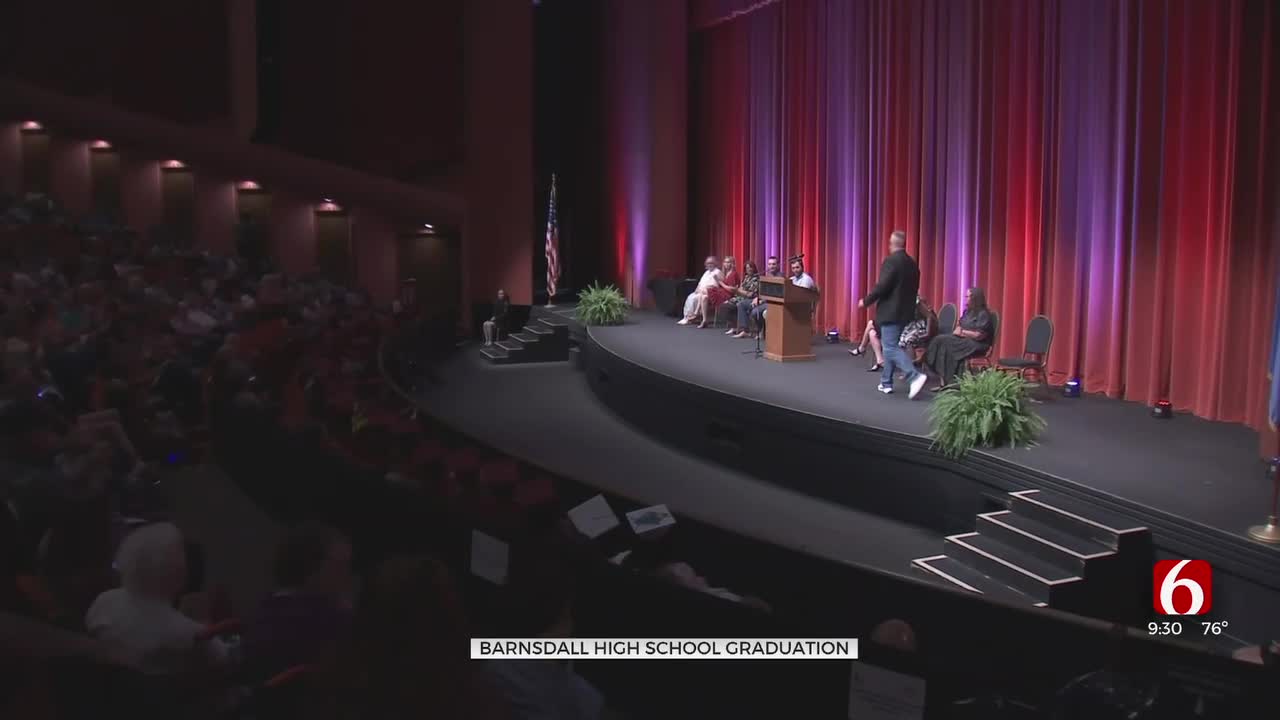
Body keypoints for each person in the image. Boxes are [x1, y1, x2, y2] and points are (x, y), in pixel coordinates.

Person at [84, 522, 226, 675]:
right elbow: (222, 658)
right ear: (179, 573)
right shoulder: (191, 632)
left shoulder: (104, 600)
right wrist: (202, 621)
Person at [241, 523, 355, 683]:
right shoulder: (329, 619)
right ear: (310, 564)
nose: (347, 576)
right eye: (340, 566)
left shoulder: (267, 607)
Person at [858, 231, 927, 399]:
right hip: (905, 312)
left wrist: (866, 301)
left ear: (892, 244)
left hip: (891, 312)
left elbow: (882, 286)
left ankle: (914, 376)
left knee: (889, 348)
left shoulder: (891, 261)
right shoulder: (912, 264)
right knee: (892, 345)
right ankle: (886, 382)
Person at [923, 287, 994, 391]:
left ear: (975, 298)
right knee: (940, 340)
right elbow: (960, 325)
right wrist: (959, 330)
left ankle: (949, 382)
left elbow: (979, 335)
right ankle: (944, 381)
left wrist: (962, 332)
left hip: (976, 344)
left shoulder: (983, 314)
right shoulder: (968, 312)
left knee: (945, 343)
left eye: (968, 296)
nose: (966, 299)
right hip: (964, 340)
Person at [734, 256, 781, 339]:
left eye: (774, 264)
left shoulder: (780, 277)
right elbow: (763, 291)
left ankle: (761, 331)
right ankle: (745, 330)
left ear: (778, 265)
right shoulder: (767, 276)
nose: (771, 266)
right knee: (742, 304)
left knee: (755, 311)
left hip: (772, 303)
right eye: (770, 264)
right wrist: (758, 298)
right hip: (762, 300)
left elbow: (775, 295)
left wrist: (761, 300)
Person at [678, 256, 722, 325]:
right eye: (708, 263)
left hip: (711, 292)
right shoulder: (706, 272)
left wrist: (705, 289)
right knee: (691, 297)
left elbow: (718, 284)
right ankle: (688, 316)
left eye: (711, 263)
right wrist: (697, 289)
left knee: (695, 298)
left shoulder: (718, 272)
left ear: (715, 263)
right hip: (701, 291)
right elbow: (700, 283)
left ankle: (695, 315)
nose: (709, 265)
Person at [697, 256, 738, 328]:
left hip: (728, 295)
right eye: (725, 262)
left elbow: (732, 290)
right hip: (722, 292)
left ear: (732, 263)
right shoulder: (727, 273)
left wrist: (719, 282)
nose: (726, 264)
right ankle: (704, 320)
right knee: (704, 297)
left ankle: (697, 311)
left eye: (728, 262)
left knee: (705, 290)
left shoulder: (733, 274)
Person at [724, 261, 759, 335]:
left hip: (750, 299)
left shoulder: (756, 279)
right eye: (747, 268)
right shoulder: (746, 277)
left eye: (750, 268)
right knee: (726, 305)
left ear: (754, 269)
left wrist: (738, 290)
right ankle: (734, 327)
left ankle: (744, 329)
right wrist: (739, 291)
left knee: (737, 305)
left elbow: (750, 294)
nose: (749, 270)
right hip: (741, 296)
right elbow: (741, 289)